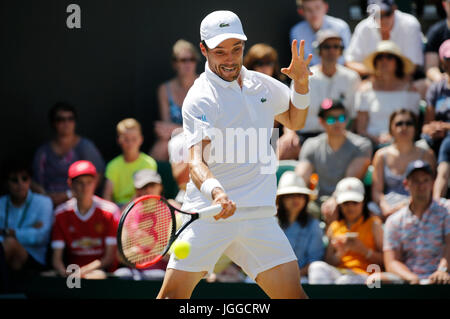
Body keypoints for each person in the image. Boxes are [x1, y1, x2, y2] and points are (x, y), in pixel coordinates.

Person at [157, 10, 312, 299]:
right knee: (171, 298)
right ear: (203, 50)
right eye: (220, 51)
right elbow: (195, 161)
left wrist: (301, 86)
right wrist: (217, 193)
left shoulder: (260, 84)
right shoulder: (201, 96)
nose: (229, 59)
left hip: (259, 215)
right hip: (210, 215)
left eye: (236, 49)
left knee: (294, 297)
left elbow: (295, 120)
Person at [277, 30, 361, 160]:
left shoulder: (352, 78)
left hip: (338, 136)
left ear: (341, 50)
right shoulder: (304, 77)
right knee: (282, 148)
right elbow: (290, 110)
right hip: (305, 135)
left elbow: (354, 117)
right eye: (327, 47)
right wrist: (289, 134)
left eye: (336, 46)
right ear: (318, 50)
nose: (332, 50)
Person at [295, 98, 372, 224]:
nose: (337, 122)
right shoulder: (311, 145)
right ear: (321, 122)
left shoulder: (362, 145)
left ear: (346, 120)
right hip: (319, 202)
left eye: (341, 118)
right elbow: (300, 179)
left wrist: (334, 199)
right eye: (331, 119)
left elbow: (349, 181)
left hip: (350, 201)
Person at [380, 160, 449, 284]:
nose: (421, 185)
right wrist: (410, 277)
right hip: (408, 278)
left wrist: (442, 270)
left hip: (443, 275)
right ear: (406, 184)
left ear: (432, 183)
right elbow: (391, 261)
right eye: (416, 180)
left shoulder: (447, 210)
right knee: (374, 280)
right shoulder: (394, 220)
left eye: (425, 180)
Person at [51, 160, 120, 279]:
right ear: (70, 184)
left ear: (96, 183)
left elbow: (109, 258)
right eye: (79, 183)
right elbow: (56, 259)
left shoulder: (110, 211)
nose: (85, 187)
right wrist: (64, 273)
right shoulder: (60, 214)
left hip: (102, 274)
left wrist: (82, 272)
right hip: (71, 274)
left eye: (89, 182)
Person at [308, 177, 384, 284]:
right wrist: (340, 252)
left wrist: (364, 251)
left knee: (344, 282)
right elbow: (329, 261)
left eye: (355, 202)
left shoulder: (374, 224)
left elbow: (386, 261)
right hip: (339, 273)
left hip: (366, 276)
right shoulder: (334, 227)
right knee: (316, 268)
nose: (350, 207)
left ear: (363, 202)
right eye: (346, 203)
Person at [33, 102, 105, 207]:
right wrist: (46, 197)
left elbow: (98, 175)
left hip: (79, 203)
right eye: (61, 119)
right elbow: (35, 183)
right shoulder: (43, 151)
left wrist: (71, 195)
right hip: (48, 204)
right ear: (53, 123)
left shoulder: (86, 146)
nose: (66, 123)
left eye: (70, 119)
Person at [371, 109, 436, 220]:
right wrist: (385, 207)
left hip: (419, 207)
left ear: (415, 128)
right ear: (391, 128)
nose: (404, 127)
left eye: (409, 123)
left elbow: (431, 188)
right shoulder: (381, 155)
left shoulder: (427, 155)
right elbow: (377, 191)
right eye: (399, 123)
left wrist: (406, 206)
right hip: (387, 209)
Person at [354, 40, 421, 146]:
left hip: (403, 144)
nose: (384, 61)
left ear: (397, 62)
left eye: (389, 57)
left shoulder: (410, 90)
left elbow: (413, 126)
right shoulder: (364, 90)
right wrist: (377, 139)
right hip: (371, 145)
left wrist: (396, 137)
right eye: (380, 57)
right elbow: (361, 129)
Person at [150, 40, 200, 161]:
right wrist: (170, 130)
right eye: (183, 60)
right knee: (161, 146)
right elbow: (166, 127)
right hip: (175, 138)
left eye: (192, 59)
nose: (188, 64)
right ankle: (149, 179)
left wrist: (174, 129)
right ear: (175, 64)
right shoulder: (164, 89)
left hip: (202, 137)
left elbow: (208, 125)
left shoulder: (204, 84)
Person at [0, 160, 53, 275]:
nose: (20, 184)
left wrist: (8, 232)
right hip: (9, 260)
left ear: (30, 181)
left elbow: (41, 237)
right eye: (14, 180)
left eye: (24, 178)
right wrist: (28, 229)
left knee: (10, 243)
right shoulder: (1, 203)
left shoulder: (44, 202)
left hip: (35, 260)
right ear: (6, 183)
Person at [345, 0, 424, 77]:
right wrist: (377, 74)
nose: (382, 19)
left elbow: (413, 66)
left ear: (394, 8)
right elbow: (350, 62)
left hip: (404, 79)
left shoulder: (410, 25)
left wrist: (384, 75)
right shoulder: (363, 27)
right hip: (371, 80)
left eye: (387, 14)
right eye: (376, 15)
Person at [276, 171, 324, 282]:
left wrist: (293, 276)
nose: (296, 199)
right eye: (290, 195)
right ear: (281, 199)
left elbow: (314, 261)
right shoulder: (271, 223)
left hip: (302, 279)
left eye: (300, 195)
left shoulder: (313, 225)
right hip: (270, 277)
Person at [103, 118, 158, 208]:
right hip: (119, 209)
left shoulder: (149, 163)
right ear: (119, 140)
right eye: (126, 139)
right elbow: (107, 197)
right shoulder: (112, 166)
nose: (130, 143)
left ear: (141, 139)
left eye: (134, 139)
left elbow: (150, 194)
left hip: (143, 207)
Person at [290, 0, 351, 66]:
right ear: (301, 12)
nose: (314, 13)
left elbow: (346, 57)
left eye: (317, 8)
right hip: (311, 75)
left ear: (326, 7)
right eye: (308, 9)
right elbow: (302, 62)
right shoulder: (296, 31)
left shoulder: (341, 27)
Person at [422, 40, 450, 156]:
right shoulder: (435, 89)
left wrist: (447, 128)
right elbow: (427, 124)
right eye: (449, 60)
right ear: (442, 62)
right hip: (438, 138)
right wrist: (433, 129)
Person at [424, 0, 450, 83]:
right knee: (423, 85)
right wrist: (441, 79)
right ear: (444, 4)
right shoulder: (435, 32)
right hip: (445, 84)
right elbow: (431, 67)